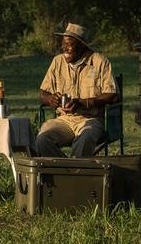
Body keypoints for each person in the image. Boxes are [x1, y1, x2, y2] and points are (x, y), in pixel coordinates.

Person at [35, 22, 117, 158]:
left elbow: (112, 95)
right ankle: (65, 172)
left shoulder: (99, 62)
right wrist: (50, 99)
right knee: (42, 139)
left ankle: (76, 174)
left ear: (82, 46)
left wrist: (83, 103)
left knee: (85, 137)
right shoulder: (57, 62)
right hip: (64, 120)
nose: (64, 48)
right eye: (63, 44)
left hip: (90, 119)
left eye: (69, 44)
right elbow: (43, 93)